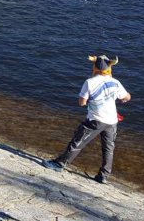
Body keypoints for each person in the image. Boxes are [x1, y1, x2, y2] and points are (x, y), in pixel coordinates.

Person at [43, 55, 131, 184]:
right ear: (109, 68)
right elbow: (127, 97)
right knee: (108, 148)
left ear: (95, 67)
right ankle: (104, 176)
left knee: (78, 142)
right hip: (112, 121)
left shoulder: (89, 82)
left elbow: (82, 102)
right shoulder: (115, 82)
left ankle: (59, 164)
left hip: (96, 120)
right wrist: (122, 98)